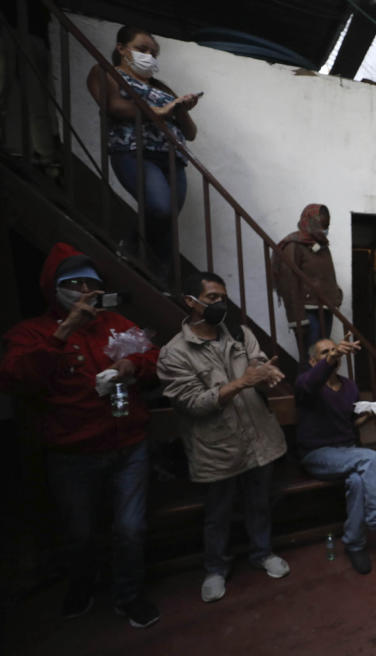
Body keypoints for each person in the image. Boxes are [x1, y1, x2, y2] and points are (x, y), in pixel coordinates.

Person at [0, 243, 160, 628]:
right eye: (74, 284)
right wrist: (64, 330)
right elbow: (16, 378)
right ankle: (83, 584)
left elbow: (155, 360)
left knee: (130, 529)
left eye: (91, 284)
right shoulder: (31, 332)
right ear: (54, 288)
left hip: (127, 445)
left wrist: (130, 366)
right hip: (72, 453)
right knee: (79, 532)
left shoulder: (117, 324)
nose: (85, 291)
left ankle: (129, 594)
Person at [157, 271, 290, 603]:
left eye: (223, 297)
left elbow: (257, 365)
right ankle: (216, 568)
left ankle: (262, 553)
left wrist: (265, 374)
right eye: (213, 298)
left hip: (258, 437)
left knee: (260, 503)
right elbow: (194, 404)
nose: (220, 304)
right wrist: (243, 381)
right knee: (218, 512)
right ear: (191, 302)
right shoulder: (175, 353)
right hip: (218, 446)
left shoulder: (241, 335)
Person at [295, 337, 376, 574]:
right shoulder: (307, 385)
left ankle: (354, 543)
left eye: (334, 351)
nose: (332, 355)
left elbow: (351, 423)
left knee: (357, 480)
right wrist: (331, 358)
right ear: (313, 360)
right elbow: (310, 383)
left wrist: (373, 414)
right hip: (318, 454)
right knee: (367, 457)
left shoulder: (349, 386)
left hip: (346, 451)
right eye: (325, 353)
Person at [86, 25, 200, 271]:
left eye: (153, 53)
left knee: (167, 220)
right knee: (159, 207)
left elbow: (190, 133)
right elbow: (113, 106)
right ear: (121, 49)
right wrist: (160, 111)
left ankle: (161, 276)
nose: (149, 56)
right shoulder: (106, 72)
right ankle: (130, 246)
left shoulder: (162, 87)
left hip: (173, 158)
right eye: (141, 49)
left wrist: (180, 108)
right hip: (134, 151)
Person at [272, 203, 343, 360]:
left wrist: (336, 295)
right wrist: (299, 319)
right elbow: (289, 284)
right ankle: (306, 385)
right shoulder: (293, 245)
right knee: (312, 359)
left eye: (327, 225)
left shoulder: (323, 245)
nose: (325, 229)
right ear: (310, 222)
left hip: (325, 309)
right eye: (322, 225)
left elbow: (328, 276)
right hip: (307, 313)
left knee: (326, 359)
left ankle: (321, 385)